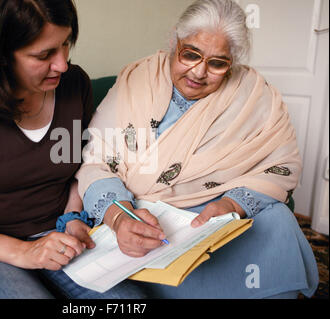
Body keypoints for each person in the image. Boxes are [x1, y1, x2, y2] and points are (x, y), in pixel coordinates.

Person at [75, 0, 319, 298]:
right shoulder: (137, 80)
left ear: (233, 63)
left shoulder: (256, 96)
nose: (199, 72)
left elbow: (280, 166)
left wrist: (231, 206)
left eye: (217, 63)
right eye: (190, 54)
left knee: (278, 219)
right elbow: (96, 160)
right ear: (174, 41)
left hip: (213, 215)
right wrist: (118, 215)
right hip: (142, 213)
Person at [0, 0, 147, 299]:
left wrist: (73, 218)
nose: (62, 63)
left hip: (58, 238)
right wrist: (24, 252)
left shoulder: (74, 84)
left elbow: (84, 165)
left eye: (65, 44)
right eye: (44, 54)